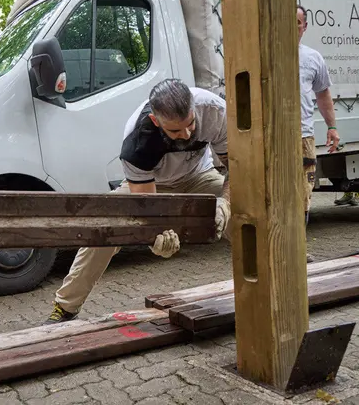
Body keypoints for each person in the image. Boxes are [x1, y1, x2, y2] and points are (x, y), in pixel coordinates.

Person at [44, 79, 231, 324]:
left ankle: (270, 285)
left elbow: (238, 168)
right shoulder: (137, 142)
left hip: (199, 177)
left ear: (194, 109)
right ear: (156, 121)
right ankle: (65, 307)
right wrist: (153, 236)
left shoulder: (215, 111)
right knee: (105, 229)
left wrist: (225, 204)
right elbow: (148, 207)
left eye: (190, 125)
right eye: (175, 131)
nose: (186, 134)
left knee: (247, 212)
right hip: (152, 185)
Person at [297, 4, 340, 262]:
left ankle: (298, 249)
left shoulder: (313, 58)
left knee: (303, 194)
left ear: (305, 27)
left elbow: (323, 93)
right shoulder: (265, 53)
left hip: (303, 138)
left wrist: (332, 127)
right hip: (272, 139)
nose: (293, 28)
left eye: (298, 23)